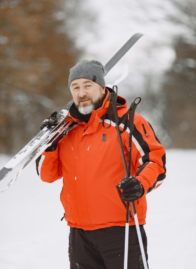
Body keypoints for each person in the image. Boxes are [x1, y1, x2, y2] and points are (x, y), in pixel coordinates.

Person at [36, 60, 166, 269]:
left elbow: (155, 161)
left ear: (102, 86)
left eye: (88, 85)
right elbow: (47, 175)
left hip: (121, 228)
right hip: (79, 233)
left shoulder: (128, 121)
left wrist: (140, 184)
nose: (81, 93)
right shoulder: (67, 129)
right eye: (75, 87)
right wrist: (49, 143)